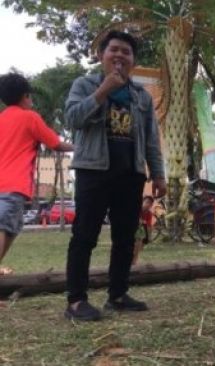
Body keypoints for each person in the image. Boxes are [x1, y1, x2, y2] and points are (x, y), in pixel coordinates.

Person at [63, 30, 167, 321]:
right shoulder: (84, 84)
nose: (120, 56)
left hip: (130, 175)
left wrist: (157, 174)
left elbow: (150, 140)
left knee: (125, 237)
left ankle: (118, 295)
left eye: (126, 52)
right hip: (93, 172)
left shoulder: (141, 97)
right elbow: (72, 119)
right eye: (114, 50)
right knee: (84, 236)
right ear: (101, 55)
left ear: (133, 60)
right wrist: (102, 92)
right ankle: (76, 301)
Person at [0, 73, 74, 280]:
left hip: (7, 186)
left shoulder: (2, 118)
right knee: (4, 229)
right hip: (12, 186)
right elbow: (56, 144)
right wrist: (81, 147)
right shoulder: (29, 117)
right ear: (26, 95)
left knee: (11, 230)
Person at [132, 195, 154, 265]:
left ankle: (134, 260)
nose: (148, 205)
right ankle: (132, 259)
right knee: (136, 244)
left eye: (150, 203)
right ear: (142, 202)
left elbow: (149, 226)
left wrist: (149, 236)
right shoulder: (136, 209)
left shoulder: (149, 214)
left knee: (140, 245)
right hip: (132, 227)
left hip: (140, 228)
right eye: (147, 202)